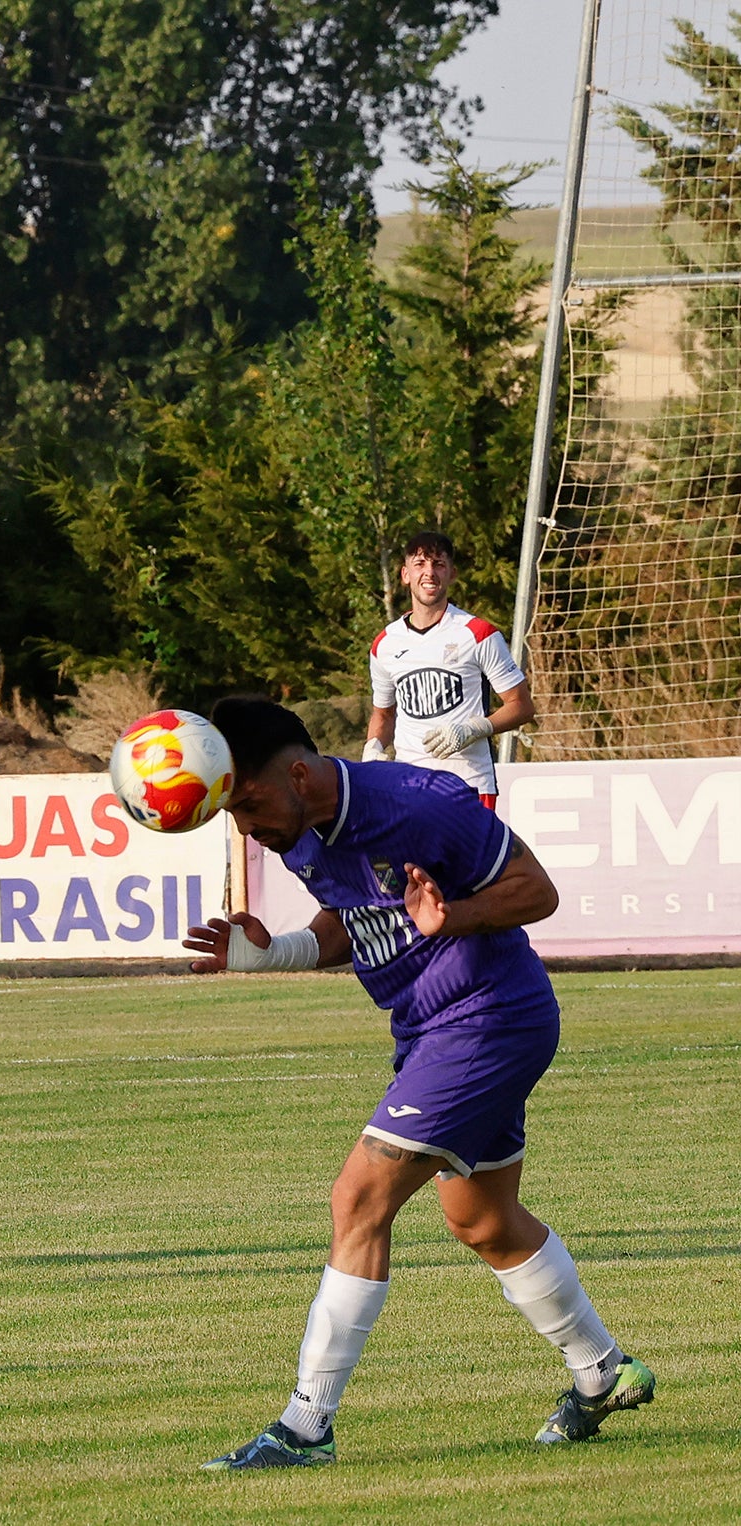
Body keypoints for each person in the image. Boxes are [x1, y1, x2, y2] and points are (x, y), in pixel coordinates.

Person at [186, 697, 653, 1469]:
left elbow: (538, 890)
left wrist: (458, 915)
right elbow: (358, 918)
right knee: (484, 1222)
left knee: (358, 1198)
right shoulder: (297, 828)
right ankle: (603, 1374)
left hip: (490, 1015)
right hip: (431, 1030)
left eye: (250, 804)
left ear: (299, 775)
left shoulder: (417, 805)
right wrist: (280, 954)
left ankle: (307, 1429)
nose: (246, 829)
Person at [364, 530, 534, 807]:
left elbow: (522, 706)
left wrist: (475, 728)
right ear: (405, 574)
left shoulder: (479, 633)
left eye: (438, 564)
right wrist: (373, 749)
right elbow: (383, 716)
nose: (429, 573)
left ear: (452, 574)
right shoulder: (384, 644)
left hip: (468, 784)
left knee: (471, 852)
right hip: (408, 787)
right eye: (420, 564)